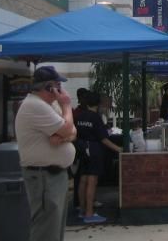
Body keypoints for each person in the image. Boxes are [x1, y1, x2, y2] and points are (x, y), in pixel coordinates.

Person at [15, 66, 76, 241]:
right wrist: (66, 105)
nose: (61, 91)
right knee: (46, 229)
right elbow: (67, 127)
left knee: (54, 227)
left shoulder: (48, 106)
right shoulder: (35, 105)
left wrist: (64, 136)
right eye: (58, 86)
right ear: (49, 87)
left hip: (54, 175)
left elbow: (72, 131)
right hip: (43, 176)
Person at [74, 91, 122, 223]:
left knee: (83, 180)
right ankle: (89, 214)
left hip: (82, 148)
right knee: (92, 181)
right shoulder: (95, 117)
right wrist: (119, 149)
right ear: (98, 104)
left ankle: (82, 210)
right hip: (94, 150)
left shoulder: (80, 116)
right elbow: (104, 139)